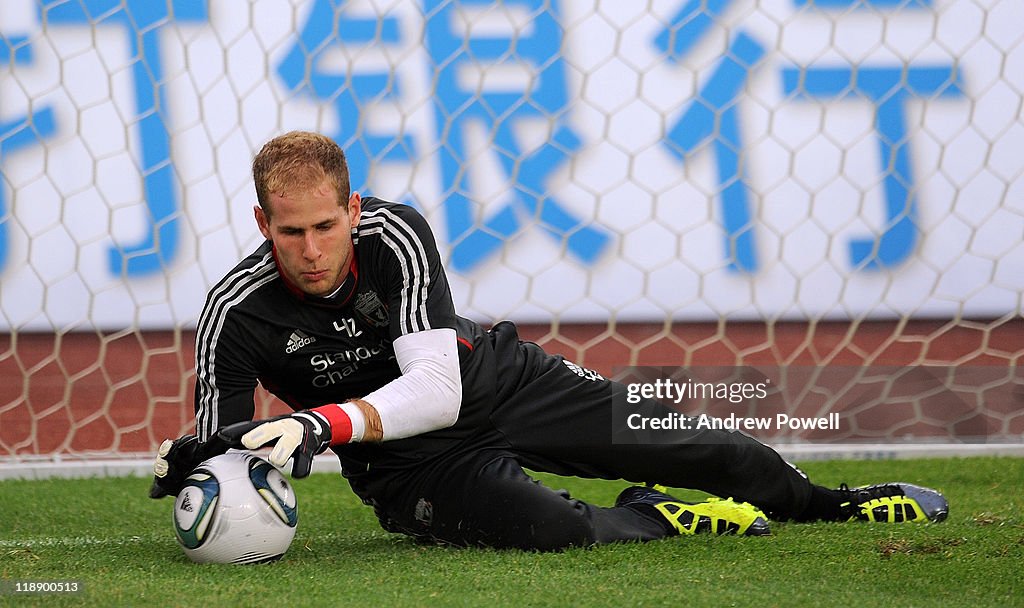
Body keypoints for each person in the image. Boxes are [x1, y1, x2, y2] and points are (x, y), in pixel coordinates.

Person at [149, 131, 948, 550]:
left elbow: (436, 389)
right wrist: (204, 455)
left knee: (702, 442)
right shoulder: (236, 309)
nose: (314, 249)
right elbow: (226, 439)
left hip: (499, 381)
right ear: (263, 225)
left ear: (353, 209)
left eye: (327, 225)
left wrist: (319, 423)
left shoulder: (396, 234)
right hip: (412, 464)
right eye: (292, 232)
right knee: (553, 529)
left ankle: (834, 506)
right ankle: (654, 517)